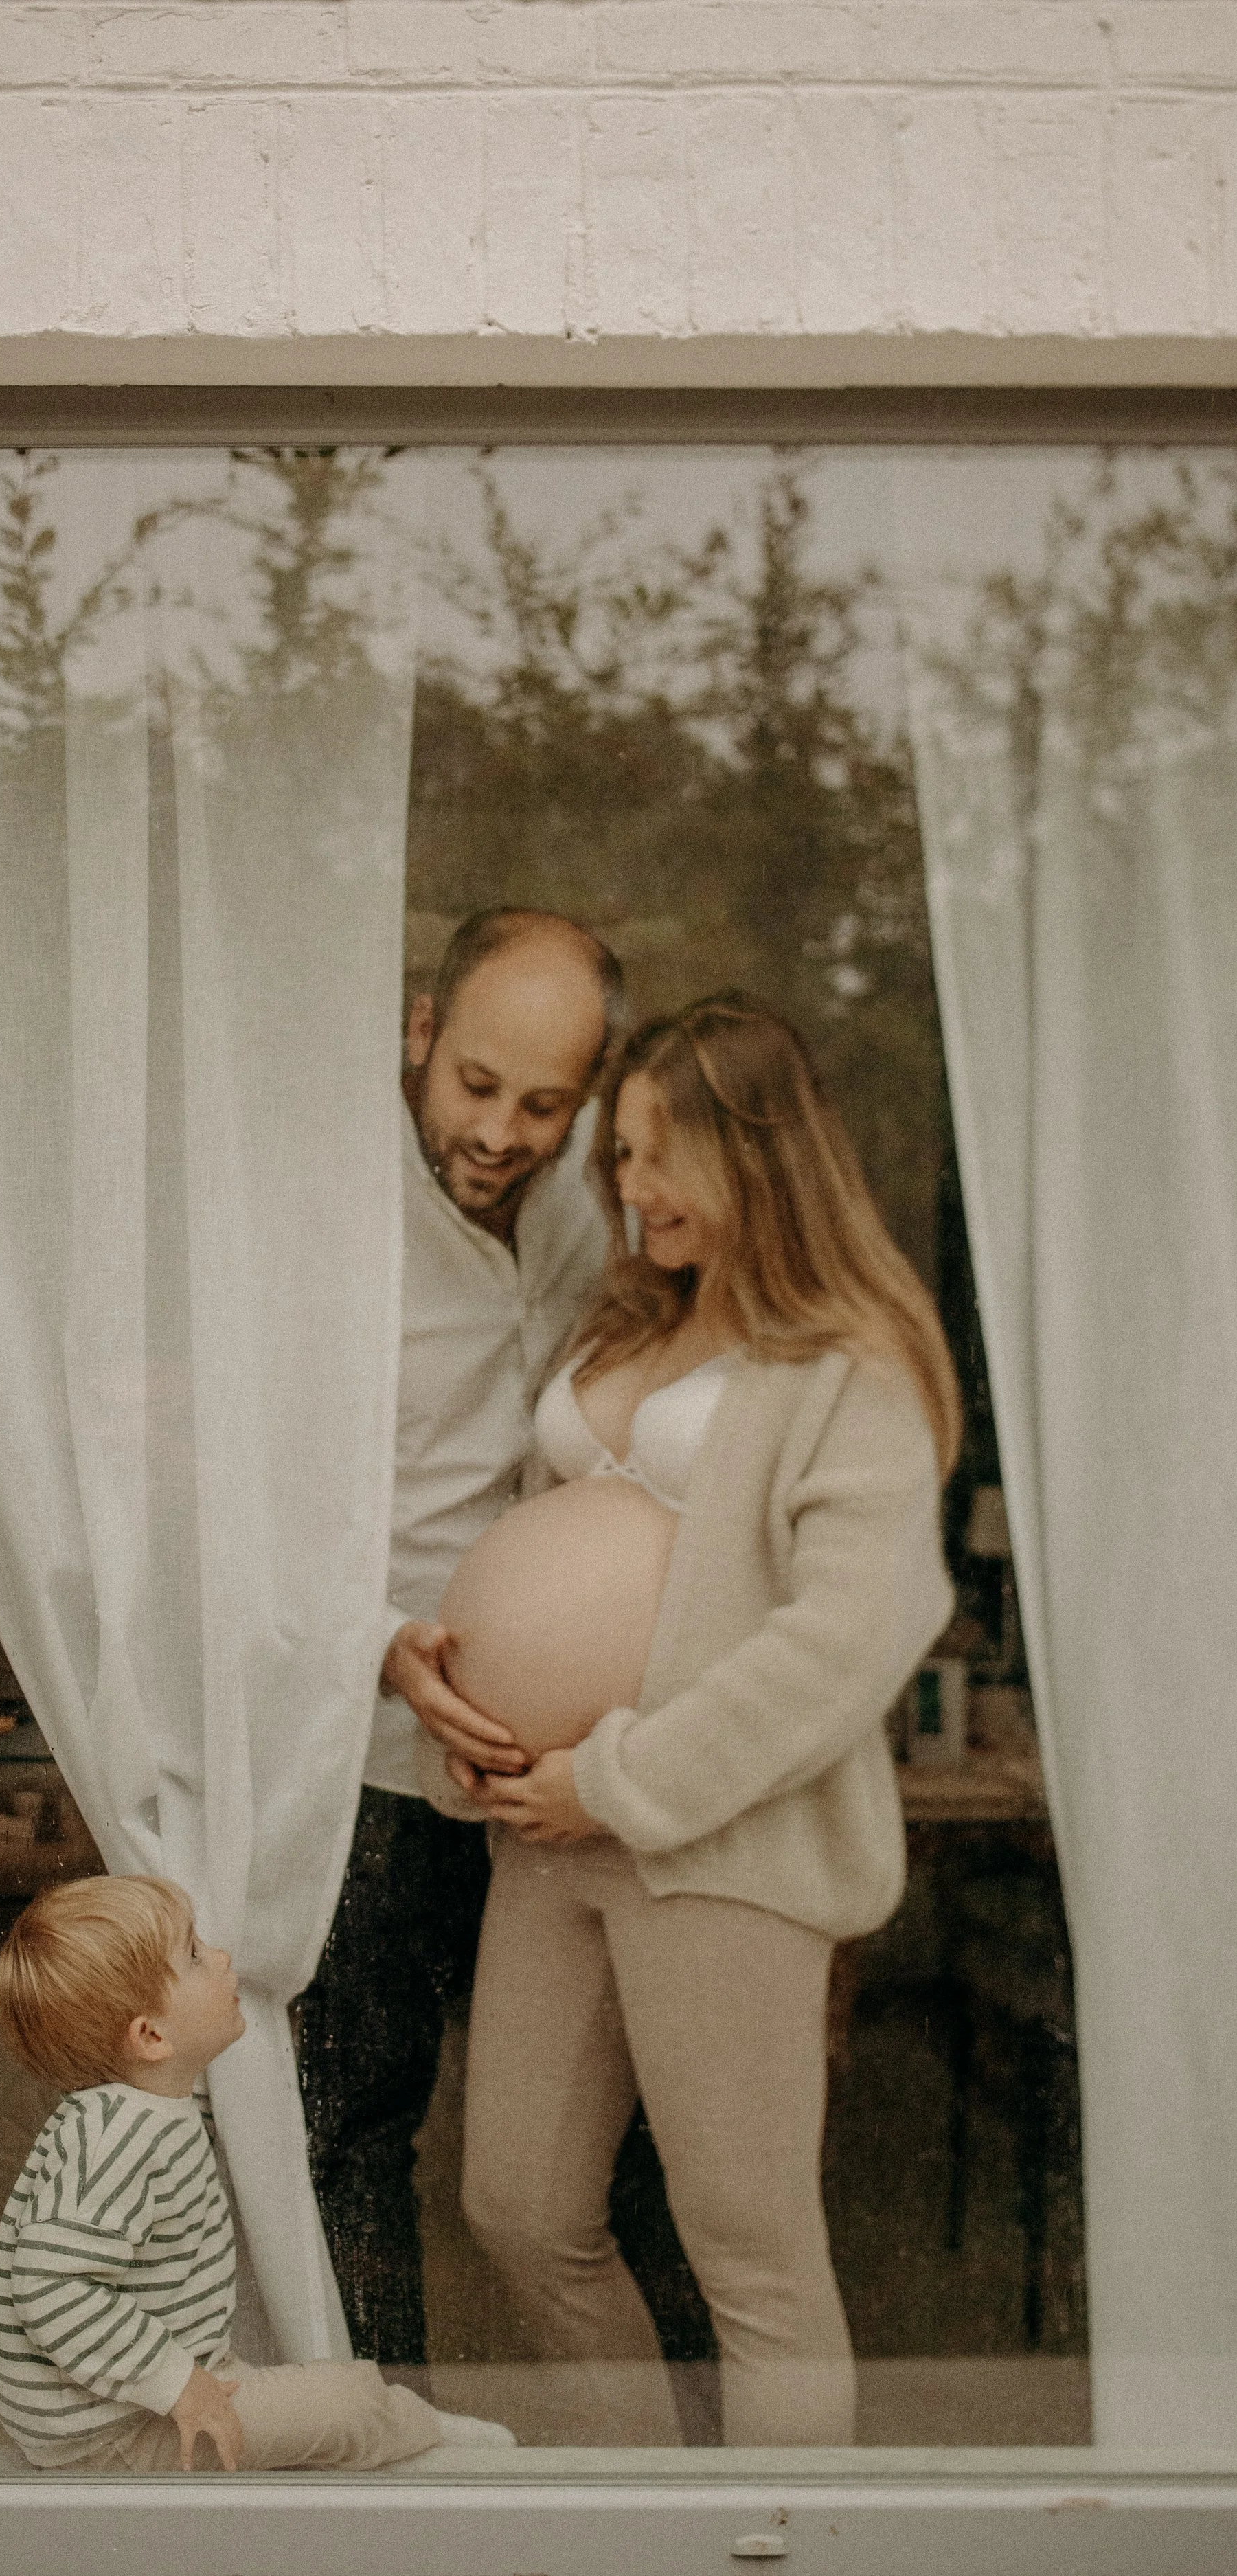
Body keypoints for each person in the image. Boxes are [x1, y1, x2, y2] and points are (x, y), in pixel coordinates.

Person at [420, 995, 960, 2448]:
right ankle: (644, 2513)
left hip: (710, 1838)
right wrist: (472, 1708)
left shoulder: (852, 1362)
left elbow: (850, 1637)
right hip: (546, 1833)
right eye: (618, 1160)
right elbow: (557, 1552)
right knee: (519, 2208)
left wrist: (619, 1776)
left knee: (750, 2254)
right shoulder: (636, 1314)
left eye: (656, 1158)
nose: (627, 1190)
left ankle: (795, 2543)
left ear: (756, 1156)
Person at [293, 908, 622, 2368]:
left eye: (542, 1103)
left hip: (566, 1776)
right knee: (356, 2131)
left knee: (594, 2157)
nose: (498, 1131)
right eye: (475, 1085)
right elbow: (233, 1495)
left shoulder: (604, 1198)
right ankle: (383, 2462)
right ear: (420, 1030)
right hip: (372, 1758)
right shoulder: (319, 1214)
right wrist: (376, 1644)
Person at [0, 1874, 517, 2471]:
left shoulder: (146, 2104)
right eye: (193, 1955)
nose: (221, 1957)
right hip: (119, 2433)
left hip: (145, 2398)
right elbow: (50, 2288)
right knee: (341, 2406)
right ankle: (430, 2442)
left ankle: (391, 2420)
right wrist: (179, 2384)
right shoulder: (112, 2139)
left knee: (322, 2390)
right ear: (152, 2035)